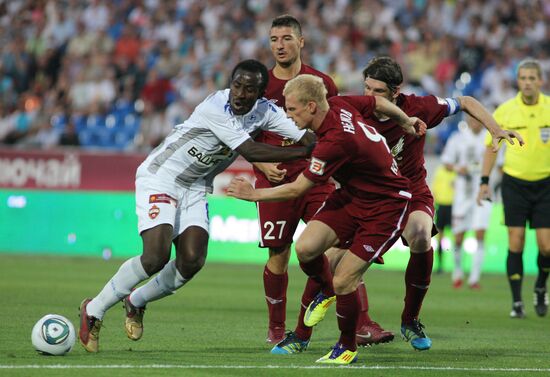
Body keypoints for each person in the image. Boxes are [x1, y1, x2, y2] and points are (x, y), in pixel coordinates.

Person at [78, 59, 317, 353]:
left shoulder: (266, 112)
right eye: (237, 85)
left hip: (195, 186)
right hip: (162, 176)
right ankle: (94, 309)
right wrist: (305, 150)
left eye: (249, 89)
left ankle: (136, 301)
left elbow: (302, 133)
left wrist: (319, 142)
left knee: (192, 260)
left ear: (261, 94)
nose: (240, 94)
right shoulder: (216, 106)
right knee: (155, 256)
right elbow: (250, 149)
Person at [308, 56, 523, 351]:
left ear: (397, 92)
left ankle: (410, 319)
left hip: (410, 192)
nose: (369, 96)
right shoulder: (353, 107)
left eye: (378, 91)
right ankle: (324, 312)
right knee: (327, 256)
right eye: (366, 87)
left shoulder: (418, 107)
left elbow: (466, 101)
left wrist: (495, 128)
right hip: (364, 196)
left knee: (421, 236)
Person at [228, 74, 427, 364]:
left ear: (311, 107)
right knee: (306, 248)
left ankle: (347, 347)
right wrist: (405, 120)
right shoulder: (339, 103)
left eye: (292, 109)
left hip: (386, 205)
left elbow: (298, 189)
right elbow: (377, 102)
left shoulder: (334, 142)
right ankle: (325, 288)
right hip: (352, 196)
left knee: (345, 279)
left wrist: (253, 195)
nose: (287, 115)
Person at [251, 15, 340, 345]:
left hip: (315, 177)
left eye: (287, 38)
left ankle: (358, 322)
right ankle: (276, 326)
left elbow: (335, 129)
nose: (280, 45)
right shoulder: (259, 86)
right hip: (274, 182)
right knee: (278, 253)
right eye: (274, 39)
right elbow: (241, 135)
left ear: (301, 42)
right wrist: (262, 166)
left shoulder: (321, 83)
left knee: (336, 246)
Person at [477, 58, 550, 319]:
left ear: (541, 81)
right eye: (524, 78)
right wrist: (484, 182)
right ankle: (517, 302)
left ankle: (541, 285)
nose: (528, 82)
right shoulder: (506, 111)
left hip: (546, 184)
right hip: (514, 184)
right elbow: (492, 147)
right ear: (517, 81)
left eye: (533, 78)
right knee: (515, 241)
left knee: (547, 247)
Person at [441, 116, 492, 289]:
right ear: (468, 120)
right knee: (458, 237)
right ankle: (457, 273)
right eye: (472, 118)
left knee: (480, 234)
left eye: (478, 118)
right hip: (462, 194)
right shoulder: (458, 138)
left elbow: (498, 164)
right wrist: (457, 168)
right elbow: (446, 162)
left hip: (482, 193)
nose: (475, 122)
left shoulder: (490, 138)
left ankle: (474, 278)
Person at [431, 163, 455, 274]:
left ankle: (456, 267)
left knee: (457, 236)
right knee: (440, 236)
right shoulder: (440, 171)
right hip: (441, 206)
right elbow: (434, 189)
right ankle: (440, 266)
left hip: (454, 206)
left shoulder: (456, 171)